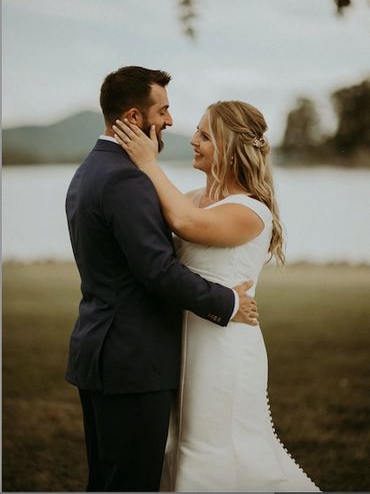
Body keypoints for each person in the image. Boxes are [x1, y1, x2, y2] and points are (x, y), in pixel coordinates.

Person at [65, 66, 259, 492]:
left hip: (104, 351)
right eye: (165, 110)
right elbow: (156, 270)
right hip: (132, 361)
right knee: (130, 483)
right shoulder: (125, 179)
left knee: (108, 481)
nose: (172, 122)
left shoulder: (92, 170)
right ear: (135, 118)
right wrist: (226, 301)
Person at [113, 99, 321, 492]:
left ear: (230, 148)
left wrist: (148, 164)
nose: (193, 140)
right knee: (179, 445)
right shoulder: (192, 196)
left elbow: (185, 224)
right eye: (196, 131)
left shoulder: (250, 211)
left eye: (205, 135)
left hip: (224, 349)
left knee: (216, 448)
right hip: (177, 342)